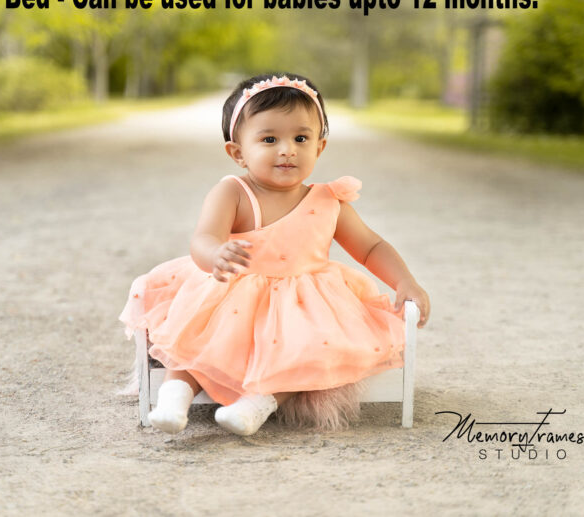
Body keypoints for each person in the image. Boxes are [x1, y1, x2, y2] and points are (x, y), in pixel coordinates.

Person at [119, 72, 430, 436]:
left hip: (303, 301)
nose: (288, 149)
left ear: (320, 147)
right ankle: (175, 397)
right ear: (238, 153)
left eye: (301, 138)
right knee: (198, 339)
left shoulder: (329, 201)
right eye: (269, 139)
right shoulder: (233, 193)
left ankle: (256, 405)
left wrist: (404, 280)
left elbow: (370, 246)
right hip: (232, 291)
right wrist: (216, 254)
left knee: (309, 347)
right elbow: (203, 238)